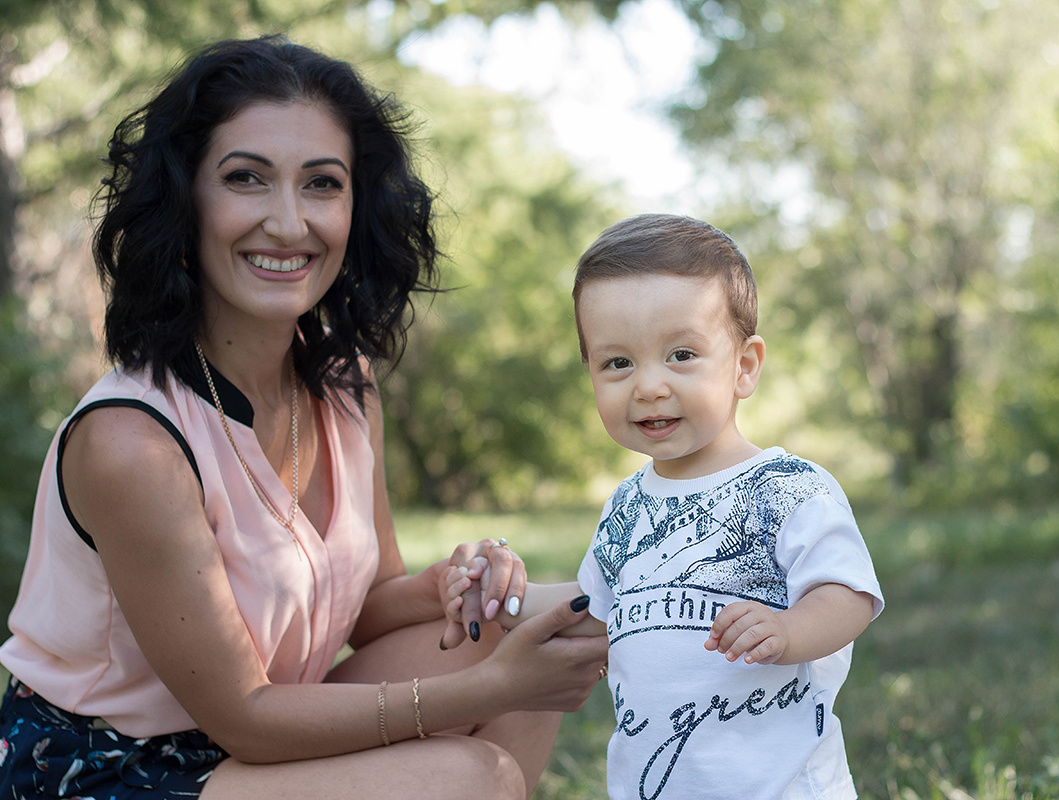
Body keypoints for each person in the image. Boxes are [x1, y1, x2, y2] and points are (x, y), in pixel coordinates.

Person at [0, 36, 608, 800]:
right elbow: (246, 719)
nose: (288, 224)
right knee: (468, 776)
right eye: (247, 179)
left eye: (321, 184)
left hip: (253, 744)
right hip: (109, 766)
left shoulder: (342, 384)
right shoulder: (133, 443)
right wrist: (489, 689)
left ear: (358, 206)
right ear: (185, 197)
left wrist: (453, 584)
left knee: (546, 620)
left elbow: (375, 605)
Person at [444, 214, 885, 799]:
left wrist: (789, 627)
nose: (648, 385)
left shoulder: (789, 487)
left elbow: (849, 593)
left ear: (744, 366)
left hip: (777, 786)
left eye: (680, 354)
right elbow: (598, 609)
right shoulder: (626, 506)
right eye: (617, 363)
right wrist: (504, 599)